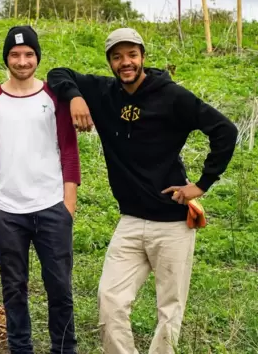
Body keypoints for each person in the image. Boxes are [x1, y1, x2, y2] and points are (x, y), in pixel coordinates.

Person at [47, 27, 238, 354]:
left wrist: (201, 185)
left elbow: (225, 130)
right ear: (110, 61)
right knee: (109, 300)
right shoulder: (104, 92)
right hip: (131, 221)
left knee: (169, 309)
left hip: (173, 224)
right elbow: (57, 73)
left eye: (132, 55)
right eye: (117, 56)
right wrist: (76, 97)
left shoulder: (172, 96)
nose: (126, 62)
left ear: (143, 57)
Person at [0, 25, 80, 354]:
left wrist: (67, 208)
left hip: (51, 208)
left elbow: (69, 152)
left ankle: (64, 348)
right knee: (14, 289)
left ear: (37, 57)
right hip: (8, 212)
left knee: (59, 288)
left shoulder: (53, 98)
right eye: (15, 55)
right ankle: (21, 348)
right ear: (6, 58)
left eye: (29, 54)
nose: (22, 61)